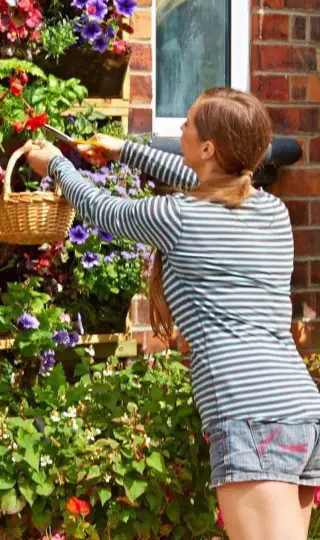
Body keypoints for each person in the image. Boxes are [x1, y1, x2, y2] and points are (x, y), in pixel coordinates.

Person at [22, 87, 320, 540]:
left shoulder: (179, 216)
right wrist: (122, 150)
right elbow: (207, 179)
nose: (179, 128)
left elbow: (104, 210)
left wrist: (56, 166)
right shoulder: (271, 211)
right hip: (300, 407)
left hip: (250, 411)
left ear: (207, 148)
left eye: (187, 124)